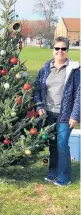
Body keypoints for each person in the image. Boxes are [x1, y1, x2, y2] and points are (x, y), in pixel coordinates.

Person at [33, 36, 80, 186]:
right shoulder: (46, 68)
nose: (60, 51)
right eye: (57, 48)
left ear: (67, 50)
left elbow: (79, 94)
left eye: (63, 48)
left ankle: (65, 178)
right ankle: (53, 172)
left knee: (62, 144)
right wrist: (39, 106)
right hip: (49, 114)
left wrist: (75, 115)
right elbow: (37, 90)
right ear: (53, 50)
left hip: (66, 115)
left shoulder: (74, 70)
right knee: (53, 144)